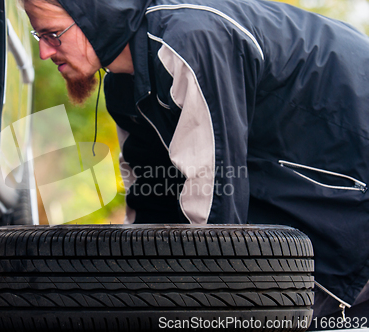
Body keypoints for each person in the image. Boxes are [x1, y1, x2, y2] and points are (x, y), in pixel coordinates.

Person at [23, 0, 369, 319]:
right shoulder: (123, 87)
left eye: (54, 34)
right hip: (287, 165)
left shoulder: (188, 40)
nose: (44, 52)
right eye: (39, 35)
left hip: (343, 170)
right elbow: (152, 197)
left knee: (265, 308)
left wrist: (206, 305)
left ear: (96, 16)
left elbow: (217, 197)